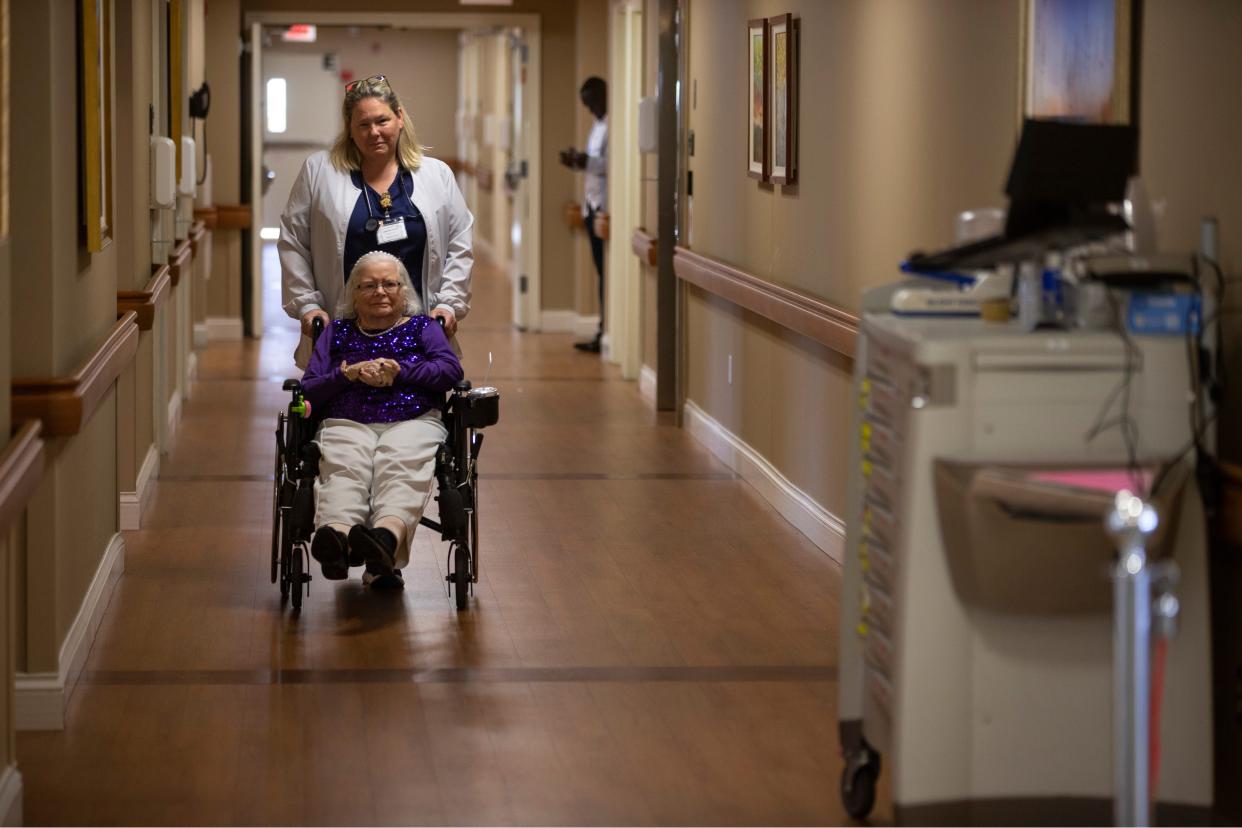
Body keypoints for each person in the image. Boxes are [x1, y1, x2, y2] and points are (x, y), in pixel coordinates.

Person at [280, 74, 473, 366]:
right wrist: (307, 304)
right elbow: (293, 242)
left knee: (417, 406)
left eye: (382, 121)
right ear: (350, 129)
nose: (374, 132)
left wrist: (448, 302)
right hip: (343, 332)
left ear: (399, 117)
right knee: (343, 407)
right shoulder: (319, 172)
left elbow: (460, 243)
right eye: (363, 124)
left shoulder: (437, 175)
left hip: (419, 333)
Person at [300, 250, 464, 589]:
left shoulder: (423, 328)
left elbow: (450, 372)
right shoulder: (338, 332)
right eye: (368, 285)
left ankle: (384, 540)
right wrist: (347, 375)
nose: (380, 292)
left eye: (390, 283)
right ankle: (337, 540)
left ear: (404, 293)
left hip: (413, 420)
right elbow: (310, 389)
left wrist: (402, 371)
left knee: (400, 466)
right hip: (347, 421)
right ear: (353, 296)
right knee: (345, 467)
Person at [559, 76, 608, 353]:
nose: (591, 110)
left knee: (604, 272)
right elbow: (595, 164)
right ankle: (602, 329)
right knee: (600, 271)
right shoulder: (597, 125)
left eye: (593, 103)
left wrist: (587, 161)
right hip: (591, 205)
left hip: (604, 206)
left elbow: (612, 164)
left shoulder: (613, 124)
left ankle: (604, 332)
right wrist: (577, 162)